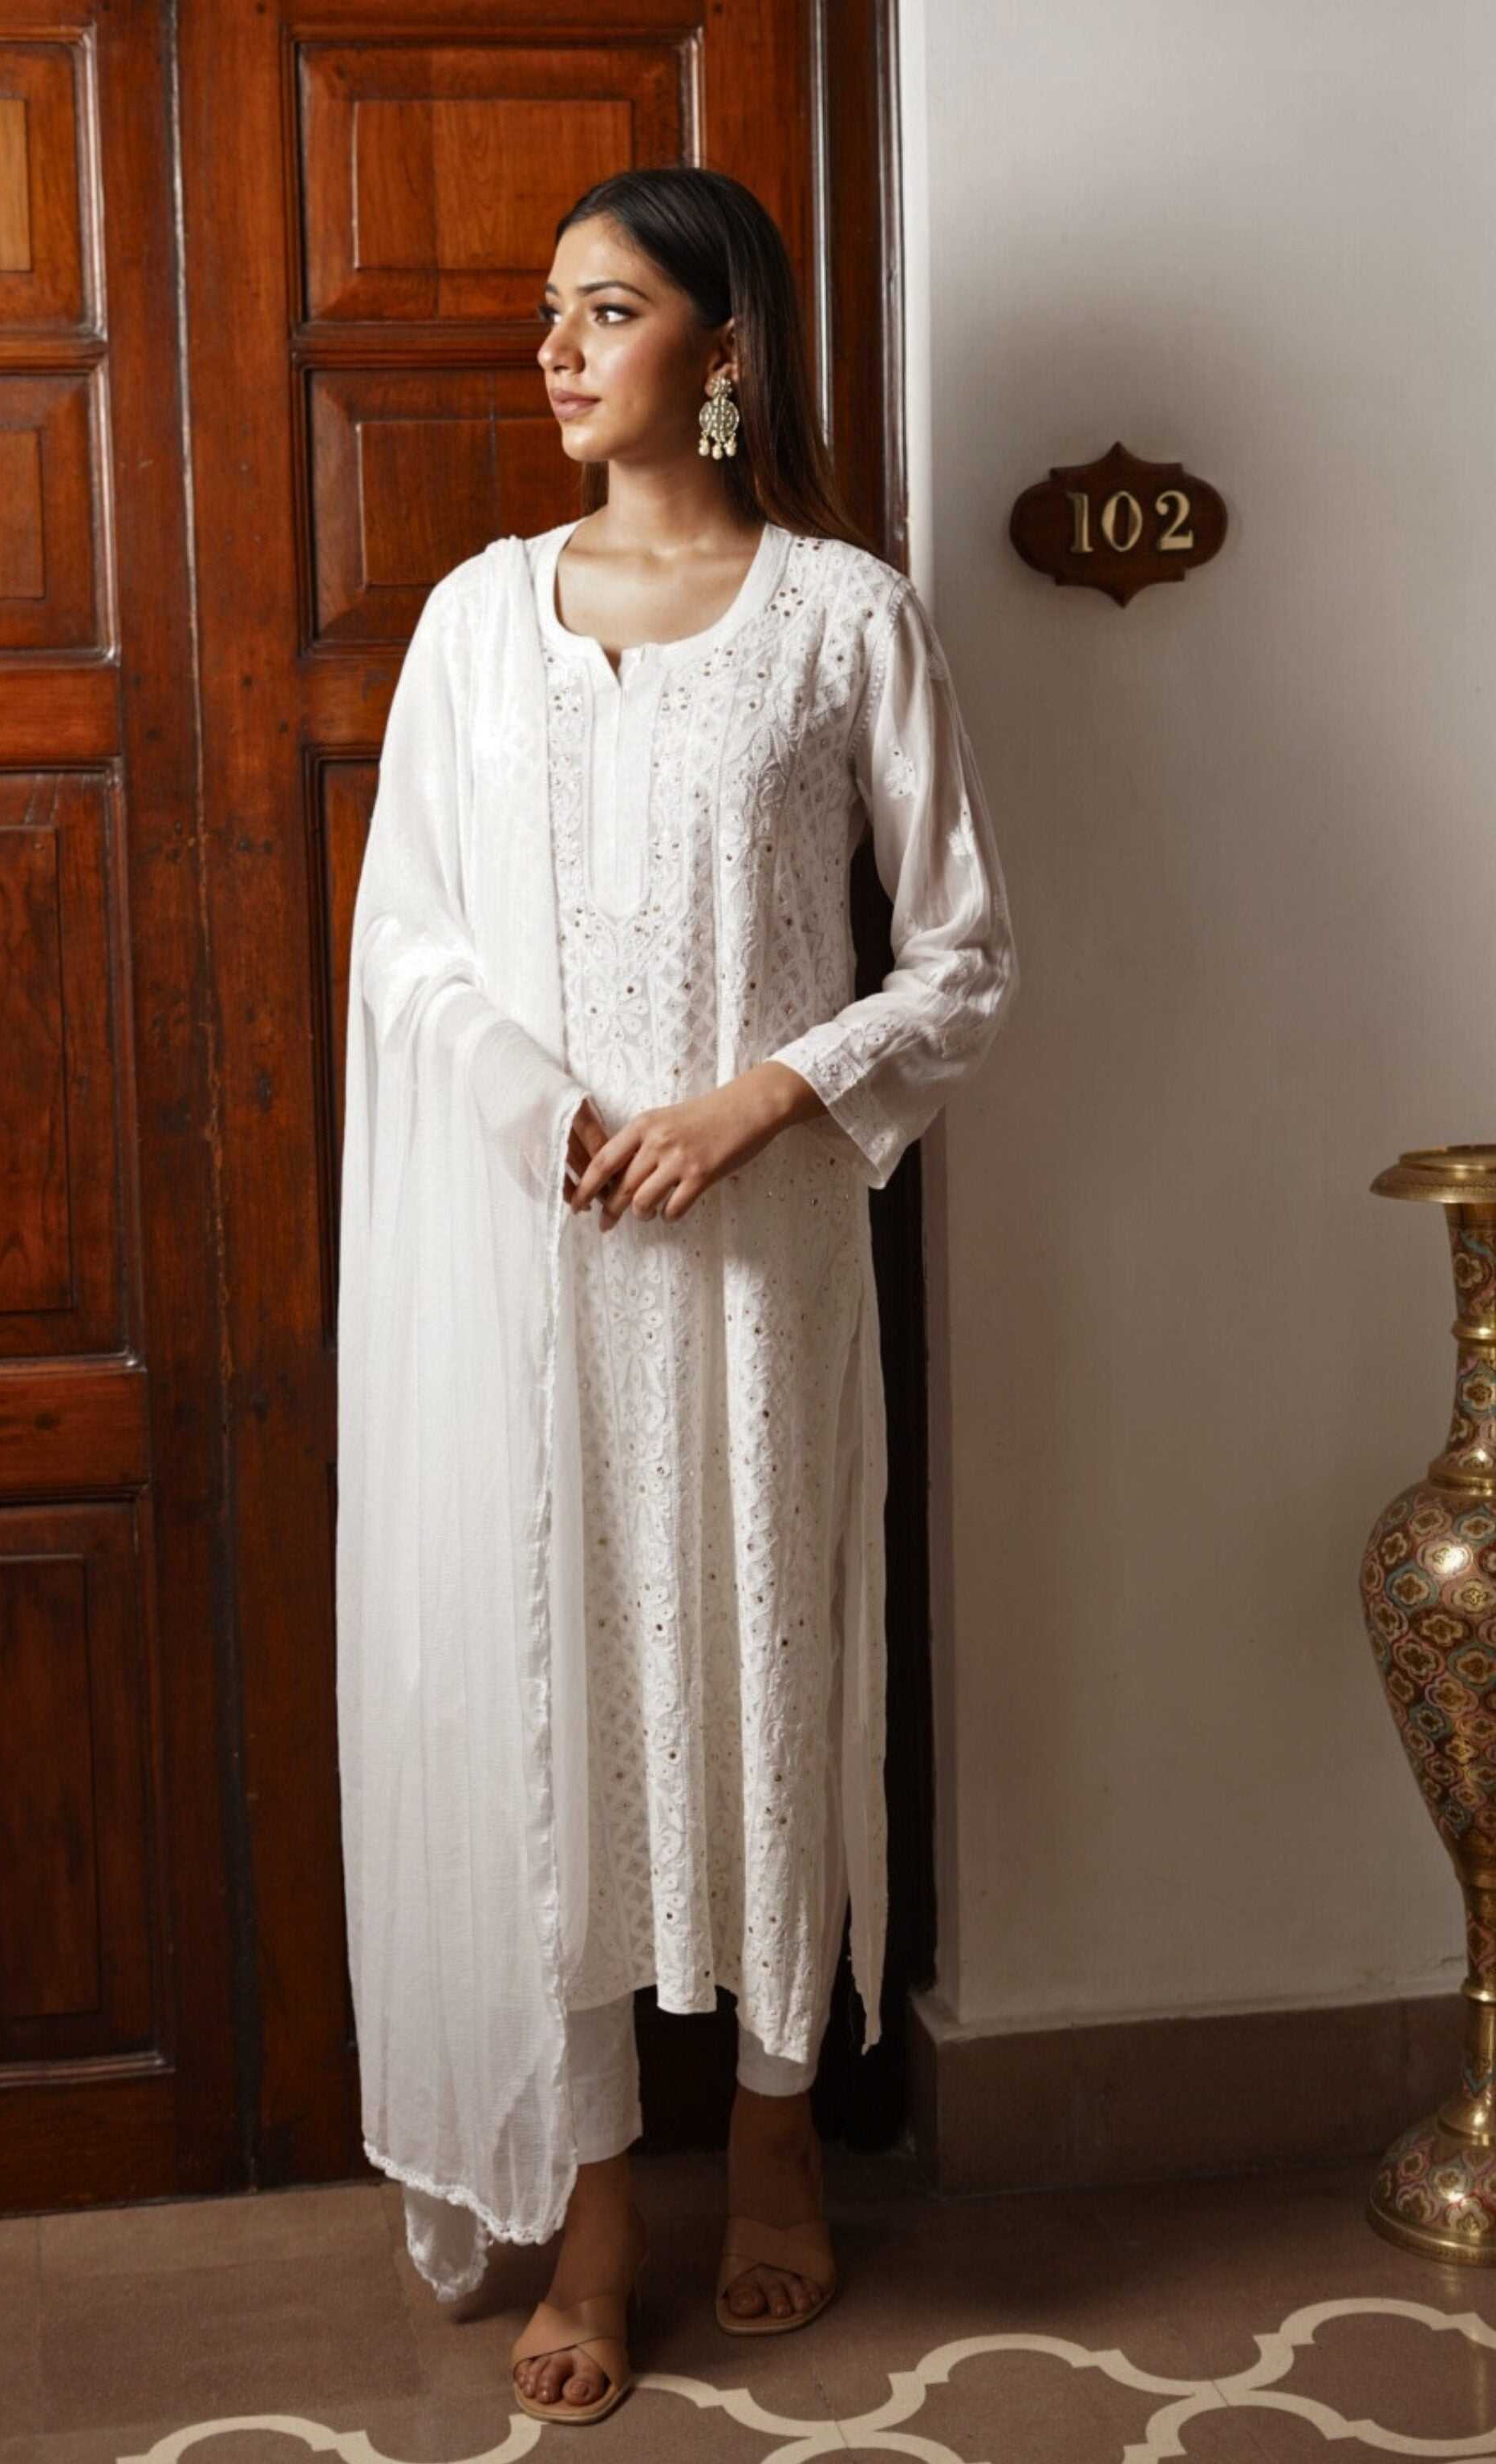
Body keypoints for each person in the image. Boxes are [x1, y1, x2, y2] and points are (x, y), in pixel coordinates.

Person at [334, 165, 1017, 2429]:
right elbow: (410, 945)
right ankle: (596, 2209)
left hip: (757, 1261)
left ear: (723, 351)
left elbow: (963, 962)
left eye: (603, 309)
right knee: (562, 1718)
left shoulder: (846, 621)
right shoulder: (473, 626)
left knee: (761, 1679)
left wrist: (755, 1102)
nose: (551, 346)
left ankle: (778, 2130)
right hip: (539, 1279)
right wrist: (549, 1108)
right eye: (547, 308)